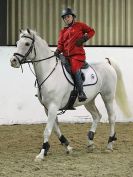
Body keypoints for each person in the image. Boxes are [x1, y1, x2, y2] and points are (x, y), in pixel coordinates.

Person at [54, 8, 95, 102]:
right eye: (65, 18)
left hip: (77, 55)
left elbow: (91, 31)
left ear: (73, 17)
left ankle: (81, 93)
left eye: (68, 17)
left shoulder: (80, 25)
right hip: (65, 56)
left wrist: (84, 38)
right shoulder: (63, 31)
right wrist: (57, 51)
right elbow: (60, 44)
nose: (66, 19)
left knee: (74, 68)